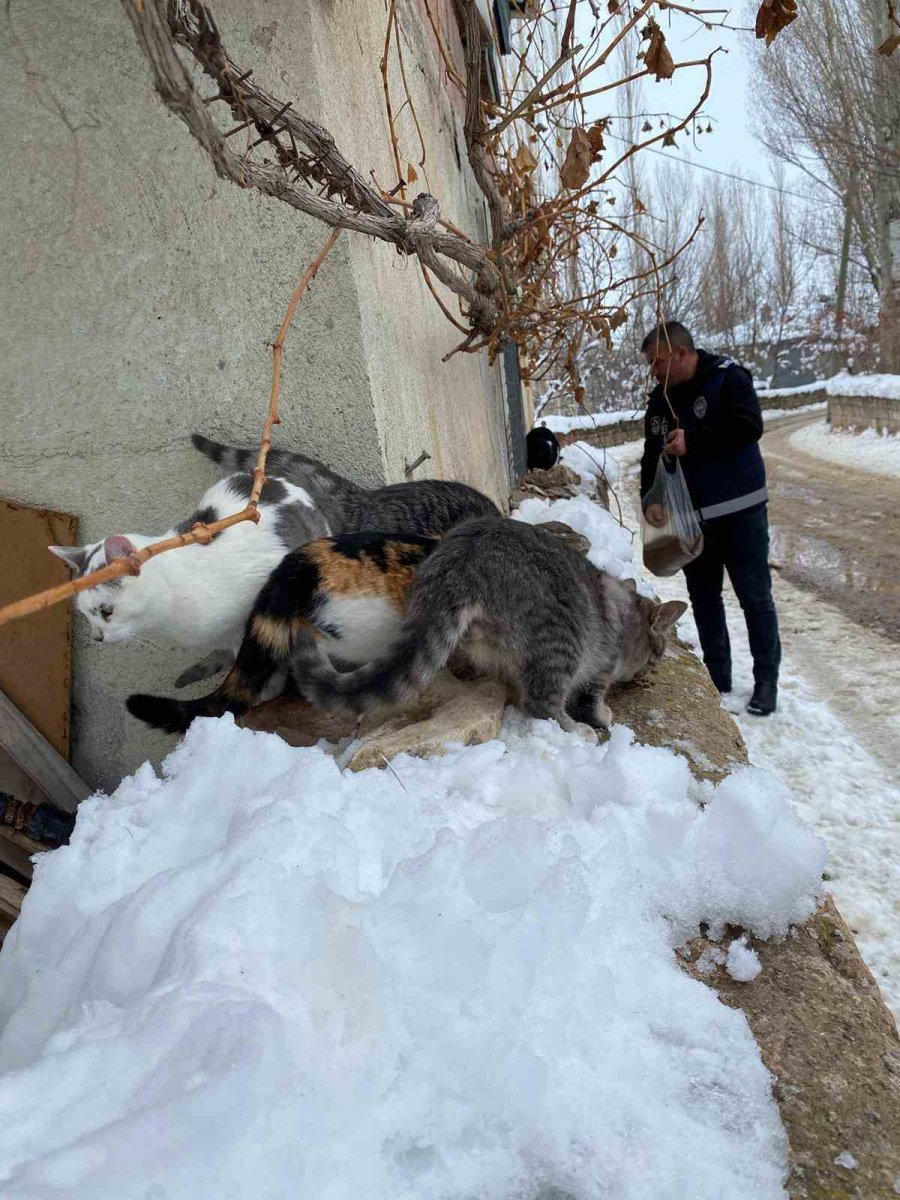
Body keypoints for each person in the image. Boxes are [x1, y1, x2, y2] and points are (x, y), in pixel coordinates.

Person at [639, 321, 780, 716]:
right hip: (691, 523)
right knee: (704, 600)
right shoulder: (661, 400)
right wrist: (650, 498)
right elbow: (651, 453)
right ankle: (718, 678)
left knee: (755, 598)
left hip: (741, 514)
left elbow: (749, 426)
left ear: (681, 354)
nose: (653, 371)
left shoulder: (728, 379)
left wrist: (695, 440)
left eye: (658, 362)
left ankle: (766, 682)